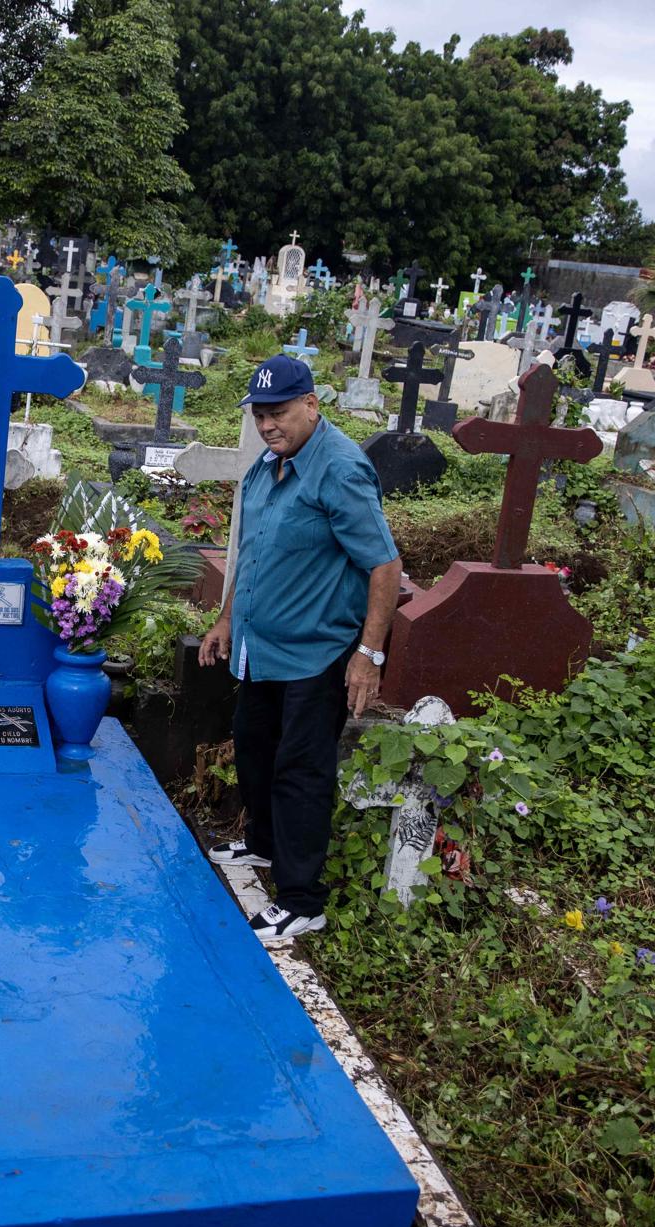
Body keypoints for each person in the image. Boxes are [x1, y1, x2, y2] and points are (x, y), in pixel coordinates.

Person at [199, 354, 403, 943]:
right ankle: (263, 847)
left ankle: (301, 899)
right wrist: (227, 618)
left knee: (301, 772)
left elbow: (384, 566)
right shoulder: (269, 466)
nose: (268, 425)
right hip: (262, 648)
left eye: (279, 413)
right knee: (256, 751)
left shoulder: (339, 469)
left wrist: (370, 654)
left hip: (317, 654)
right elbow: (255, 548)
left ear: (312, 405)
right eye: (261, 415)